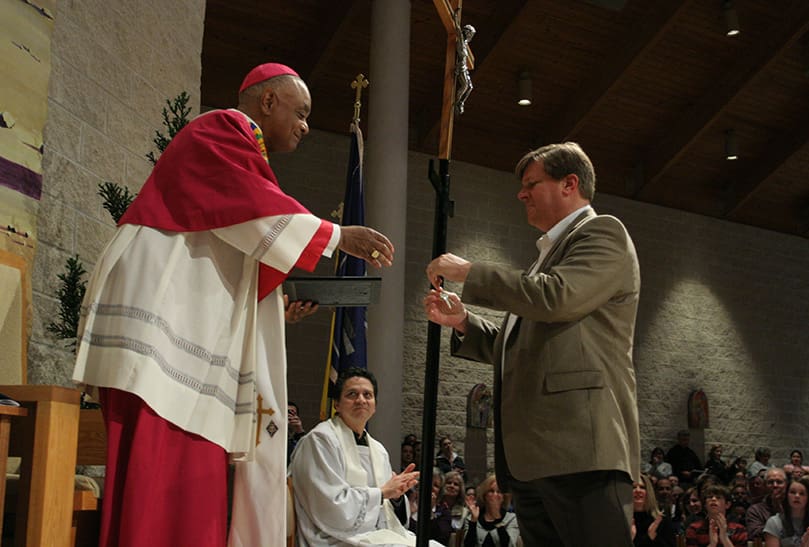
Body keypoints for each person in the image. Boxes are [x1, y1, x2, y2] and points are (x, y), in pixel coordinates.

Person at [72, 63, 395, 547]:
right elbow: (246, 203)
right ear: (268, 101)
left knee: (183, 468)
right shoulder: (220, 129)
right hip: (163, 326)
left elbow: (240, 238)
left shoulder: (240, 151)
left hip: (184, 330)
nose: (306, 126)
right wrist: (335, 235)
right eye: (301, 112)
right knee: (161, 466)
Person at [423, 142, 641, 546]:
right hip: (536, 458)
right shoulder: (546, 258)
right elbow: (521, 345)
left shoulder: (603, 233)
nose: (521, 194)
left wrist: (470, 272)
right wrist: (464, 322)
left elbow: (556, 298)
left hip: (580, 450)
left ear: (569, 184)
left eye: (531, 184)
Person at [289, 367, 440, 546]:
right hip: (333, 538)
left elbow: (388, 510)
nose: (361, 400)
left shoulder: (378, 450)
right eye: (352, 394)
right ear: (337, 403)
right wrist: (383, 492)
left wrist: (397, 497)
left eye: (367, 395)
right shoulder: (321, 441)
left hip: (376, 535)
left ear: (374, 405)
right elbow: (330, 507)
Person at [463, 474, 520, 546]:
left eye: (499, 491)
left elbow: (510, 545)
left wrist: (497, 518)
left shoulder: (512, 519)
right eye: (491, 491)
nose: (495, 495)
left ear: (503, 497)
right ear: (484, 495)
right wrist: (473, 521)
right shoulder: (470, 518)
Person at [763, 477, 809, 547]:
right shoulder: (774, 523)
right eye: (792, 492)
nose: (797, 496)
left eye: (802, 493)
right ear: (786, 495)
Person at [632, 474, 676, 547]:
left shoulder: (661, 521)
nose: (638, 490)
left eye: (642, 487)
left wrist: (651, 539)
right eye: (633, 487)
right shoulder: (622, 521)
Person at [748, 467, 789, 541]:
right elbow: (754, 534)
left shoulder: (797, 505)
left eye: (779, 482)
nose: (775, 485)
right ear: (764, 485)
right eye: (770, 482)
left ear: (786, 484)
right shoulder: (755, 510)